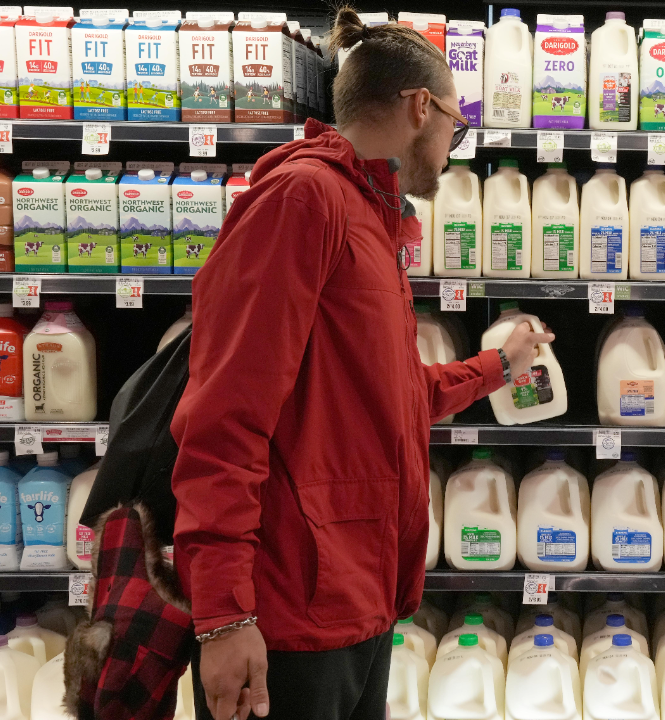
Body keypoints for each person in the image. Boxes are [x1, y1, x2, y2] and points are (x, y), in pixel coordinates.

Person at [170, 12, 553, 720]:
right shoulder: (302, 201)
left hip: (359, 599)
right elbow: (225, 417)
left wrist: (497, 367)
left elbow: (387, 398)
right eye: (456, 126)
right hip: (288, 616)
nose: (451, 149)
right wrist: (223, 615)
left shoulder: (367, 217)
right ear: (419, 107)